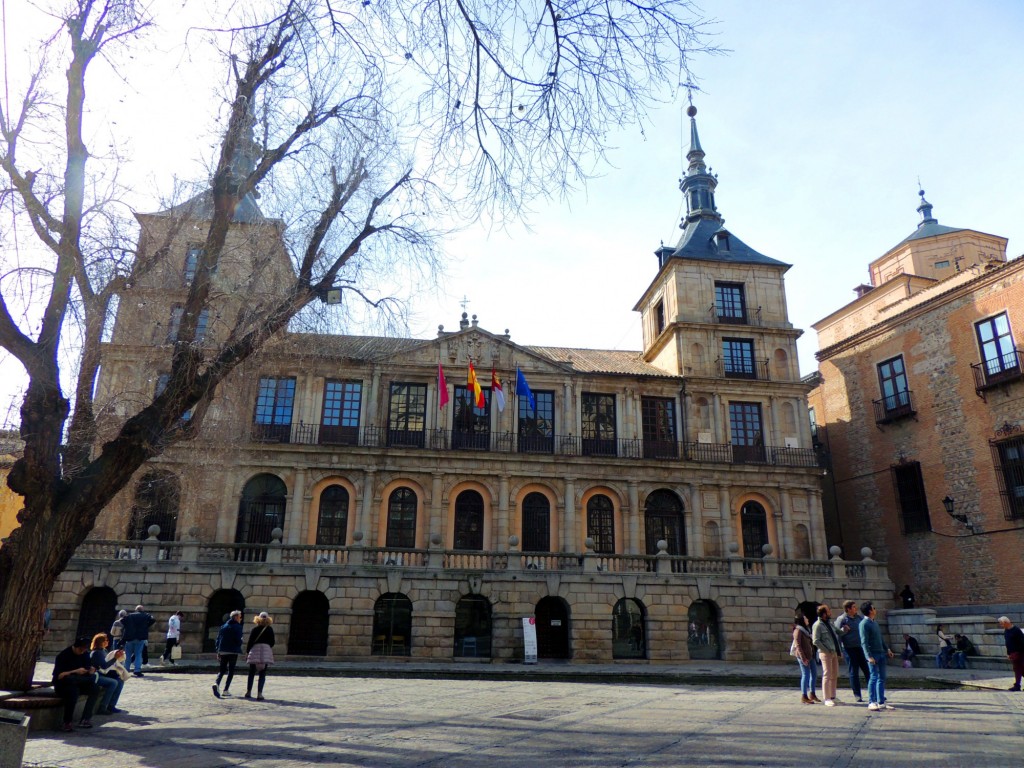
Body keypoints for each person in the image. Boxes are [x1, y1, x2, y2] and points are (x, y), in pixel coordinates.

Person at [52, 636, 103, 732]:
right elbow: (59, 676)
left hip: (80, 681)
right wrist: (75, 671)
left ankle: (85, 719)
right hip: (64, 684)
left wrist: (91, 670)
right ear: (75, 647)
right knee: (73, 692)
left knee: (95, 688)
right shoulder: (63, 655)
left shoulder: (84, 654)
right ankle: (67, 722)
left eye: (84, 650)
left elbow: (88, 667)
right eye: (80, 649)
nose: (82, 651)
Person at [859, 601, 894, 711]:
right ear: (870, 610)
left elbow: (880, 638)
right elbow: (864, 642)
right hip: (873, 654)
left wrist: (887, 649)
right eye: (874, 608)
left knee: (881, 678)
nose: (875, 610)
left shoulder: (875, 623)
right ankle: (871, 701)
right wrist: (868, 656)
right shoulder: (864, 624)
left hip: (881, 653)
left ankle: (881, 701)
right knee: (873, 677)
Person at [834, 600, 870, 703]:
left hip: (860, 648)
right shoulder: (842, 619)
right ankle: (857, 695)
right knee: (854, 672)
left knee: (867, 670)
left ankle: (873, 692)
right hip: (849, 649)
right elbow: (837, 634)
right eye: (854, 607)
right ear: (848, 609)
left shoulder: (859, 618)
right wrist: (839, 650)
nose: (856, 609)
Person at [811, 604, 843, 706]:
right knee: (827, 675)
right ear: (824, 614)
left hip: (833, 652)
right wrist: (826, 649)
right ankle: (827, 698)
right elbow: (816, 641)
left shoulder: (829, 623)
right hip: (825, 653)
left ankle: (833, 696)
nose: (830, 612)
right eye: (828, 611)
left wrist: (844, 630)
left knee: (834, 674)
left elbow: (838, 632)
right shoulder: (817, 625)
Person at [89, 633, 127, 714]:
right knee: (113, 682)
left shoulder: (104, 650)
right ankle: (103, 707)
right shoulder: (97, 653)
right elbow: (104, 666)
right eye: (106, 640)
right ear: (101, 642)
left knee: (120, 680)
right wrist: (115, 658)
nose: (107, 642)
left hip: (104, 673)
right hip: (97, 675)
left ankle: (111, 705)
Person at [212, 610, 244, 698]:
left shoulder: (223, 626)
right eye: (240, 617)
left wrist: (218, 650)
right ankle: (225, 690)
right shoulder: (238, 627)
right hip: (232, 651)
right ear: (236, 617)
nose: (240, 619)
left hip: (222, 650)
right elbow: (238, 639)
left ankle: (216, 683)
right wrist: (240, 642)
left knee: (222, 670)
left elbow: (218, 639)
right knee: (231, 670)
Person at [245, 611, 275, 701]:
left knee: (251, 673)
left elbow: (250, 642)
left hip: (255, 650)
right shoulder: (270, 629)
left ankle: (248, 692)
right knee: (262, 673)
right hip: (265, 650)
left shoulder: (255, 629)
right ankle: (259, 694)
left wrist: (247, 652)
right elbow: (272, 642)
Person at [121, 604, 155, 676]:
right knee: (138, 654)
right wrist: (146, 626)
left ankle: (126, 669)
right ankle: (137, 670)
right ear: (142, 610)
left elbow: (122, 621)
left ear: (136, 610)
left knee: (128, 654)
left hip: (130, 637)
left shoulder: (130, 615)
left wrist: (129, 626)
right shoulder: (146, 615)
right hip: (140, 637)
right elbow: (153, 620)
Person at [792, 611, 818, 704]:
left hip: (810, 655)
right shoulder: (798, 630)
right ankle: (804, 696)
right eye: (805, 618)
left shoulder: (806, 629)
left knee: (814, 674)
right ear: (802, 620)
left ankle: (812, 693)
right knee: (805, 674)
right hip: (803, 656)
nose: (807, 619)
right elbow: (798, 645)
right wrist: (803, 658)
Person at [997, 616, 1024, 691]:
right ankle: (1017, 685)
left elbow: (1022, 642)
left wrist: (1018, 652)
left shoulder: (1016, 630)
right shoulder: (1006, 631)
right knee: (1018, 669)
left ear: (1006, 623)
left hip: (1019, 653)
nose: (1001, 625)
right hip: (1012, 653)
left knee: (1020, 669)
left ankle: (1017, 685)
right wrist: (1009, 653)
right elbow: (1008, 643)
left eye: (1001, 624)